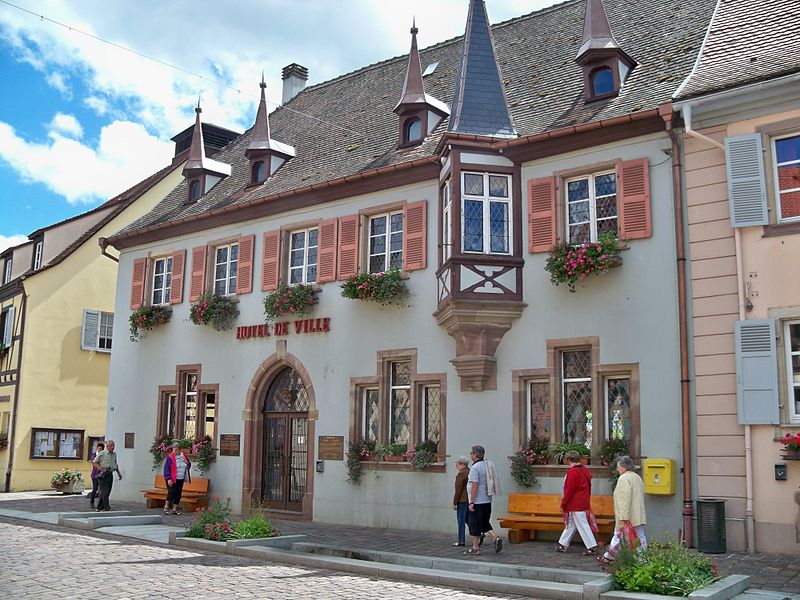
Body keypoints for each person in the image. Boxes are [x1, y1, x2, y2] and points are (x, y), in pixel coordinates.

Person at [599, 455, 647, 564]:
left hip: (627, 514)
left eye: (618, 467)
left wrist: (623, 516)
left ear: (624, 467)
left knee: (618, 534)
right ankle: (643, 558)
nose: (617, 469)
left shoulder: (624, 479)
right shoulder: (636, 477)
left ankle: (609, 556)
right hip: (637, 513)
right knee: (639, 535)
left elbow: (624, 499)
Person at [556, 450, 598, 555]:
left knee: (582, 524)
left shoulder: (572, 472)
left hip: (574, 503)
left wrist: (563, 504)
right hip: (583, 501)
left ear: (569, 460)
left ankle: (592, 546)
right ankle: (563, 544)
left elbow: (568, 490)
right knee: (572, 524)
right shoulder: (586, 470)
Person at [464, 445, 503, 555]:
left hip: (477, 501)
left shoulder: (475, 468)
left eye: (471, 453)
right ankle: (495, 538)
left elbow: (474, 485)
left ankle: (475, 547)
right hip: (487, 500)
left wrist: (471, 502)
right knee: (484, 522)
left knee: (474, 523)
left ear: (475, 455)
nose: (470, 455)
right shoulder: (487, 465)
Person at [92, 439, 122, 512]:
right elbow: (94, 462)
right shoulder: (102, 453)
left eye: (113, 445)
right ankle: (107, 507)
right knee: (105, 491)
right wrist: (101, 469)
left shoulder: (114, 454)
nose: (113, 447)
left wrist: (119, 473)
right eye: (111, 445)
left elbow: (115, 464)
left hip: (110, 473)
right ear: (107, 446)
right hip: (103, 474)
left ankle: (99, 507)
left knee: (107, 492)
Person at [163, 441, 192, 515]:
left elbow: (188, 465)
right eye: (173, 449)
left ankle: (174, 509)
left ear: (179, 450)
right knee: (172, 492)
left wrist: (187, 463)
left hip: (180, 478)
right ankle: (166, 507)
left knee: (178, 493)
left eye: (176, 450)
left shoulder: (183, 456)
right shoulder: (170, 457)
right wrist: (168, 478)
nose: (174, 451)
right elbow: (166, 468)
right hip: (172, 478)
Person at [452, 457, 470, 546]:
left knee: (461, 521)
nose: (456, 466)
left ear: (462, 464)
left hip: (462, 500)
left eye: (457, 464)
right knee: (468, 519)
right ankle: (480, 532)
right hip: (469, 500)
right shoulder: (469, 471)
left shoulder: (461, 474)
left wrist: (455, 502)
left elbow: (458, 490)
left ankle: (461, 540)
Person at [88, 442, 105, 509]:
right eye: (98, 448)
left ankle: (101, 504)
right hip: (95, 475)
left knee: (102, 490)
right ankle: (91, 502)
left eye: (101, 449)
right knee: (95, 489)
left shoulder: (104, 456)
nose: (99, 450)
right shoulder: (94, 455)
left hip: (102, 475)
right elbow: (94, 463)